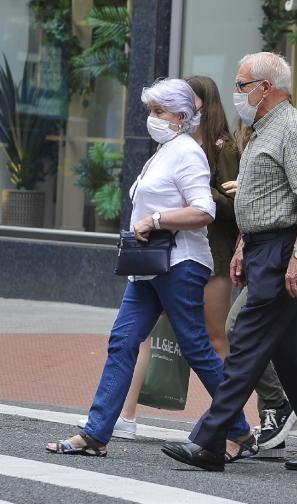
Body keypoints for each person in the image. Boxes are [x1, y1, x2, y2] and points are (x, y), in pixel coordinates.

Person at [161, 52, 297, 473]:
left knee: (245, 340)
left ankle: (211, 440)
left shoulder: (293, 127)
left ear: (265, 88)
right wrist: (242, 247)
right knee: (292, 355)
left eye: (242, 84)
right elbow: (262, 198)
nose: (237, 93)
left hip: (286, 248)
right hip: (264, 246)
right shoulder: (260, 129)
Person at [46, 78, 252, 457]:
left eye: (159, 111)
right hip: (149, 267)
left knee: (195, 347)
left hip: (178, 264)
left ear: (181, 115)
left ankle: (237, 427)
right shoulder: (166, 150)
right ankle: (96, 433)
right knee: (123, 342)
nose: (152, 118)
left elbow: (204, 210)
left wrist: (154, 220)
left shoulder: (186, 152)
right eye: (150, 111)